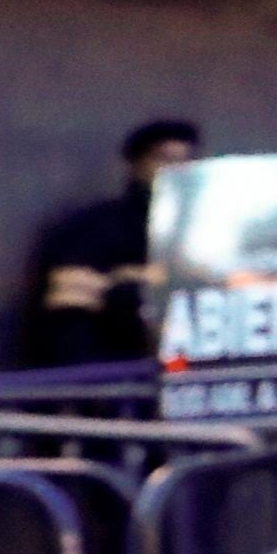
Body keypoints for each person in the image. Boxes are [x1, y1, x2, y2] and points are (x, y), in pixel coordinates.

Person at [28, 117, 196, 367]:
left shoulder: (207, 232)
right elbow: (69, 318)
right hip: (122, 378)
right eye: (164, 159)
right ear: (136, 165)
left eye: (185, 162)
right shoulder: (96, 228)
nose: (176, 171)